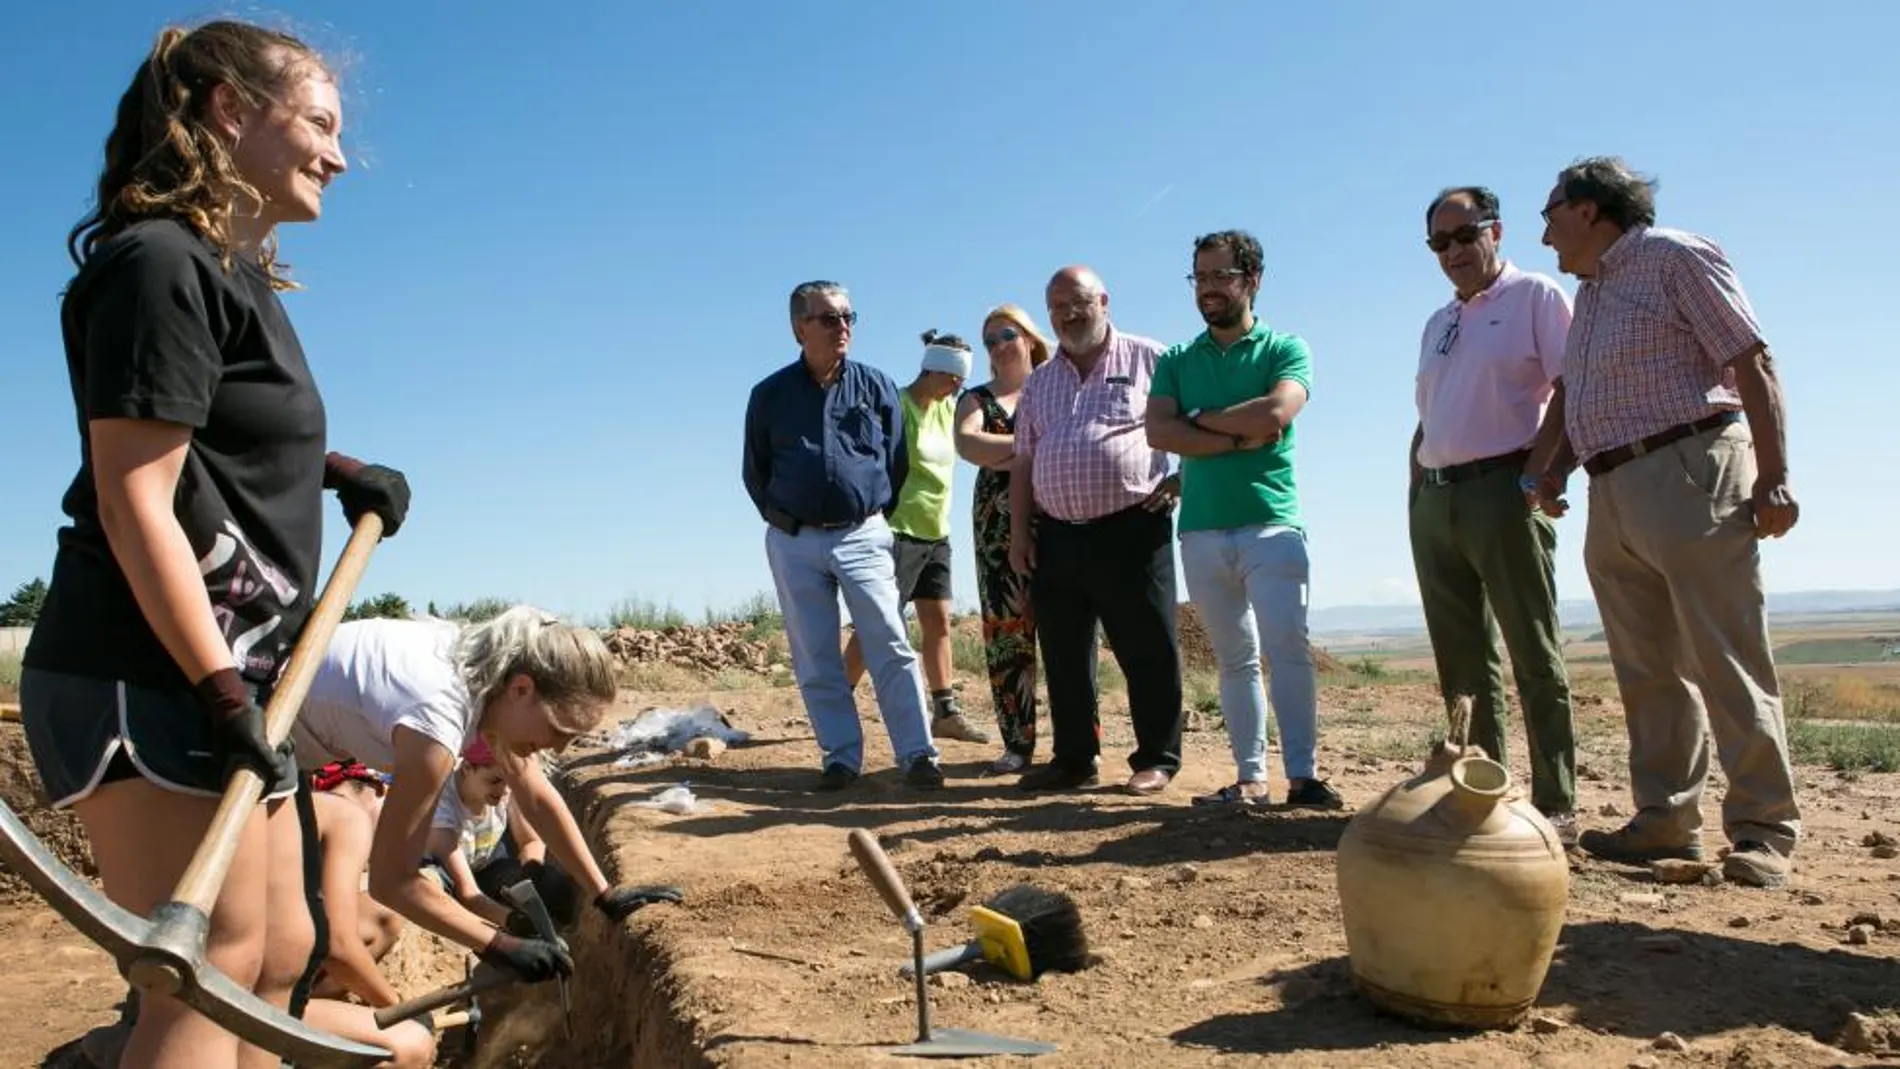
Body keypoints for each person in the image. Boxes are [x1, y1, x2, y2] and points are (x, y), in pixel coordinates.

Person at [15, 19, 424, 1069]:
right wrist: (218, 689)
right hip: (147, 667)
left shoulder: (229, 273)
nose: (338, 155)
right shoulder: (155, 264)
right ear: (231, 112)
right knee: (209, 971)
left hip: (229, 670)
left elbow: (219, 441)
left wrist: (342, 474)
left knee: (281, 952)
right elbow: (134, 496)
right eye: (321, 125)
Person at [1532, 155, 1802, 888]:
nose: (1545, 230)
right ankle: (1665, 821)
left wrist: (1775, 476)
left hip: (1689, 467)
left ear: (1589, 208)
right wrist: (1549, 464)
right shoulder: (1589, 293)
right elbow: (1571, 391)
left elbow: (1752, 358)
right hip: (1610, 485)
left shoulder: (1674, 256)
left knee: (1727, 655)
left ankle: (1763, 829)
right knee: (1647, 667)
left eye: (1551, 210)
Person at [289, 607, 685, 982]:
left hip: (294, 748)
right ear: (522, 689)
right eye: (558, 731)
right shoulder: (437, 723)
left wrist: (605, 893)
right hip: (262, 738)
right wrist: (498, 943)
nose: (561, 749)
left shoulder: (489, 683)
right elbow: (392, 881)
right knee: (270, 953)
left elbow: (535, 793)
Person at [1145, 230, 1342, 811]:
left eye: (1220, 276)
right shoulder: (1179, 360)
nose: (1207, 288)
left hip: (1270, 523)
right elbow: (1160, 431)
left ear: (1251, 279)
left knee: (1288, 649)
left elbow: (1279, 410)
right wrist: (1239, 433)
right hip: (1202, 528)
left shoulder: (1286, 348)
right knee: (1235, 658)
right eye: (1199, 277)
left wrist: (1199, 424)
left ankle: (1302, 778)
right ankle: (1250, 778)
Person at [1407, 189, 1580, 843]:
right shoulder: (1438, 322)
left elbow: (1570, 383)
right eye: (1438, 243)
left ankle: (1557, 803)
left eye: (1463, 235)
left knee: (1533, 651)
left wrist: (1539, 470)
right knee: (1461, 660)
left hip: (1503, 488)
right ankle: (1483, 793)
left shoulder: (1534, 296)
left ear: (1496, 231)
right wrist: (1416, 481)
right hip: (1436, 496)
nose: (1452, 251)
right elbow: (1431, 410)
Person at [742, 280, 946, 791]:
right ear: (799, 328)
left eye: (849, 316)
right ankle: (841, 758)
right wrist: (785, 518)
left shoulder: (876, 387)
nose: (843, 327)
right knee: (815, 655)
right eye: (830, 318)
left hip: (862, 535)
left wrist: (867, 514)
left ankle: (918, 756)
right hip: (794, 541)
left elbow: (895, 463)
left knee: (889, 643)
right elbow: (756, 471)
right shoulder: (768, 396)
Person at [1009, 266, 1184, 795]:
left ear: (1104, 300)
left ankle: (1157, 757)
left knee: (1147, 646)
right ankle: (1074, 760)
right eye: (1057, 306)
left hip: (1132, 527)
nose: (1067, 313)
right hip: (1057, 532)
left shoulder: (1151, 357)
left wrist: (1183, 480)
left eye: (1078, 302)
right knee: (1064, 653)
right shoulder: (1039, 381)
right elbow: (1022, 460)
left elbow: (1193, 422)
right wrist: (1021, 533)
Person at [842, 331, 992, 745]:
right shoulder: (899, 405)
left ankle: (945, 712)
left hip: (936, 533)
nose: (958, 385)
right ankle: (836, 705)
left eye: (963, 377)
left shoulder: (950, 411)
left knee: (938, 622)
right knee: (877, 625)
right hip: (898, 531)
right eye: (953, 375)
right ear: (932, 368)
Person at [954, 305, 1054, 775]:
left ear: (1030, 337)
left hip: (1059, 516)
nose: (996, 346)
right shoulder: (977, 398)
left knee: (1066, 633)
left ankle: (1079, 745)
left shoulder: (1058, 381)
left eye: (1005, 334)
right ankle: (1017, 745)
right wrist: (1037, 449)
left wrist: (1013, 453)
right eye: (988, 340)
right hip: (996, 530)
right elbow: (968, 444)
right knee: (1007, 636)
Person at [421, 737, 579, 932]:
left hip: (487, 864)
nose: (503, 791)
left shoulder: (506, 788)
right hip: (447, 874)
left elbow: (531, 840)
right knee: (431, 889)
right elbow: (468, 893)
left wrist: (529, 874)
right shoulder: (442, 806)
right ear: (467, 767)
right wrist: (514, 921)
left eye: (508, 782)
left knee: (552, 884)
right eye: (494, 781)